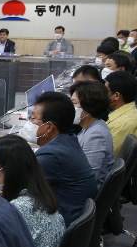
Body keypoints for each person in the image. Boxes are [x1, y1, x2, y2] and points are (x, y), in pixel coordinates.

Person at [22, 92, 97, 225]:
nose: (30, 123)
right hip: (71, 214)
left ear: (49, 127)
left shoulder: (52, 156)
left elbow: (18, 189)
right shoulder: (68, 141)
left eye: (33, 119)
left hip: (60, 223)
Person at [70, 81, 115, 186]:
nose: (70, 107)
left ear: (90, 106)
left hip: (82, 195)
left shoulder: (96, 135)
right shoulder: (91, 126)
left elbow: (87, 178)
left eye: (74, 103)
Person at [106, 71, 137, 156]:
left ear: (116, 96)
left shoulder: (123, 124)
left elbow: (105, 156)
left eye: (105, 91)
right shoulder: (127, 113)